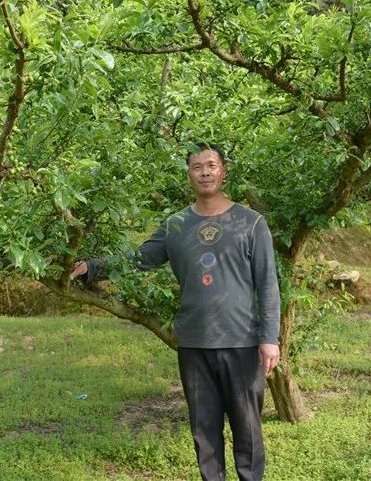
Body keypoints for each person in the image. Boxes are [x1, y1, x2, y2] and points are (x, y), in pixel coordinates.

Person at [71, 143, 281, 481]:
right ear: (189, 175)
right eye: (197, 167)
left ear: (223, 170)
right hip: (194, 343)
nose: (205, 172)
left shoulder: (250, 223)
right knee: (203, 428)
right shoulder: (177, 225)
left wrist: (269, 339)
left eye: (211, 165)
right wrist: (92, 267)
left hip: (241, 342)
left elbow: (268, 283)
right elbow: (140, 258)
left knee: (248, 429)